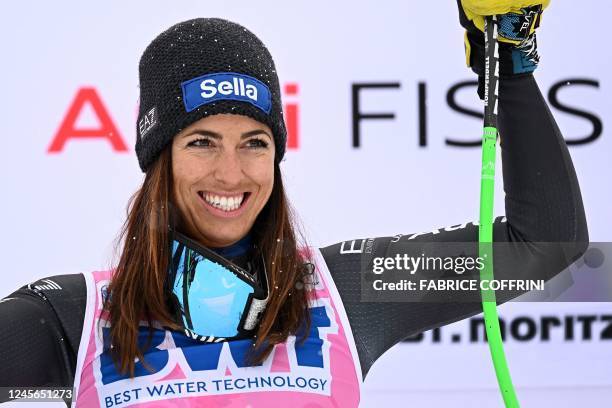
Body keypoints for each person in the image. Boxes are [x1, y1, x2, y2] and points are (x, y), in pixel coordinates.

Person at [0, 1, 588, 407]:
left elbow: (544, 244)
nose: (231, 173)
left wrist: (507, 63)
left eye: (254, 144)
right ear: (160, 159)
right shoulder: (73, 318)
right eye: (202, 142)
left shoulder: (347, 292)